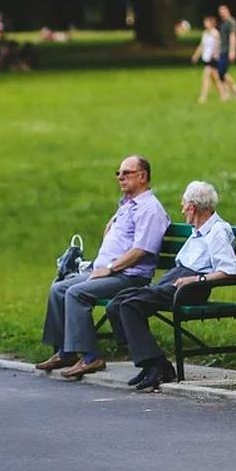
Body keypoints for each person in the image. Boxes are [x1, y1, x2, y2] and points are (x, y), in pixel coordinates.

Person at [38, 155, 170, 379]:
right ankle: (66, 352)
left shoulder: (150, 209)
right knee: (58, 288)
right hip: (109, 271)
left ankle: (91, 357)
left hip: (129, 276)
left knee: (76, 293)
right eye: (118, 173)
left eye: (126, 173)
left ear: (142, 176)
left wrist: (110, 268)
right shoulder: (128, 205)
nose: (120, 177)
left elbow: (141, 250)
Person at [106, 181, 236, 391]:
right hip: (177, 280)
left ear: (192, 207)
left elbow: (230, 270)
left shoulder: (217, 231)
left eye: (184, 204)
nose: (182, 209)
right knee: (116, 303)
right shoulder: (198, 230)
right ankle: (152, 363)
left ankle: (156, 365)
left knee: (131, 304)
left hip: (191, 287)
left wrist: (196, 280)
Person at [190, 15, 227, 103]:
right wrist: (196, 55)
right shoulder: (205, 33)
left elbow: (218, 45)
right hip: (206, 58)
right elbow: (201, 45)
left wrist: (214, 54)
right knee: (215, 78)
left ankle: (203, 97)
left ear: (212, 23)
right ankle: (223, 94)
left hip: (213, 58)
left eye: (207, 22)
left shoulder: (215, 33)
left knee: (206, 77)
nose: (205, 23)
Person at [216, 5, 236, 100]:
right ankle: (228, 92)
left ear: (228, 11)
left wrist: (232, 51)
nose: (222, 13)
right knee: (221, 72)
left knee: (222, 72)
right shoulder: (222, 23)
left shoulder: (231, 22)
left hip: (227, 50)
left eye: (223, 11)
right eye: (220, 11)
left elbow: (233, 36)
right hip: (221, 50)